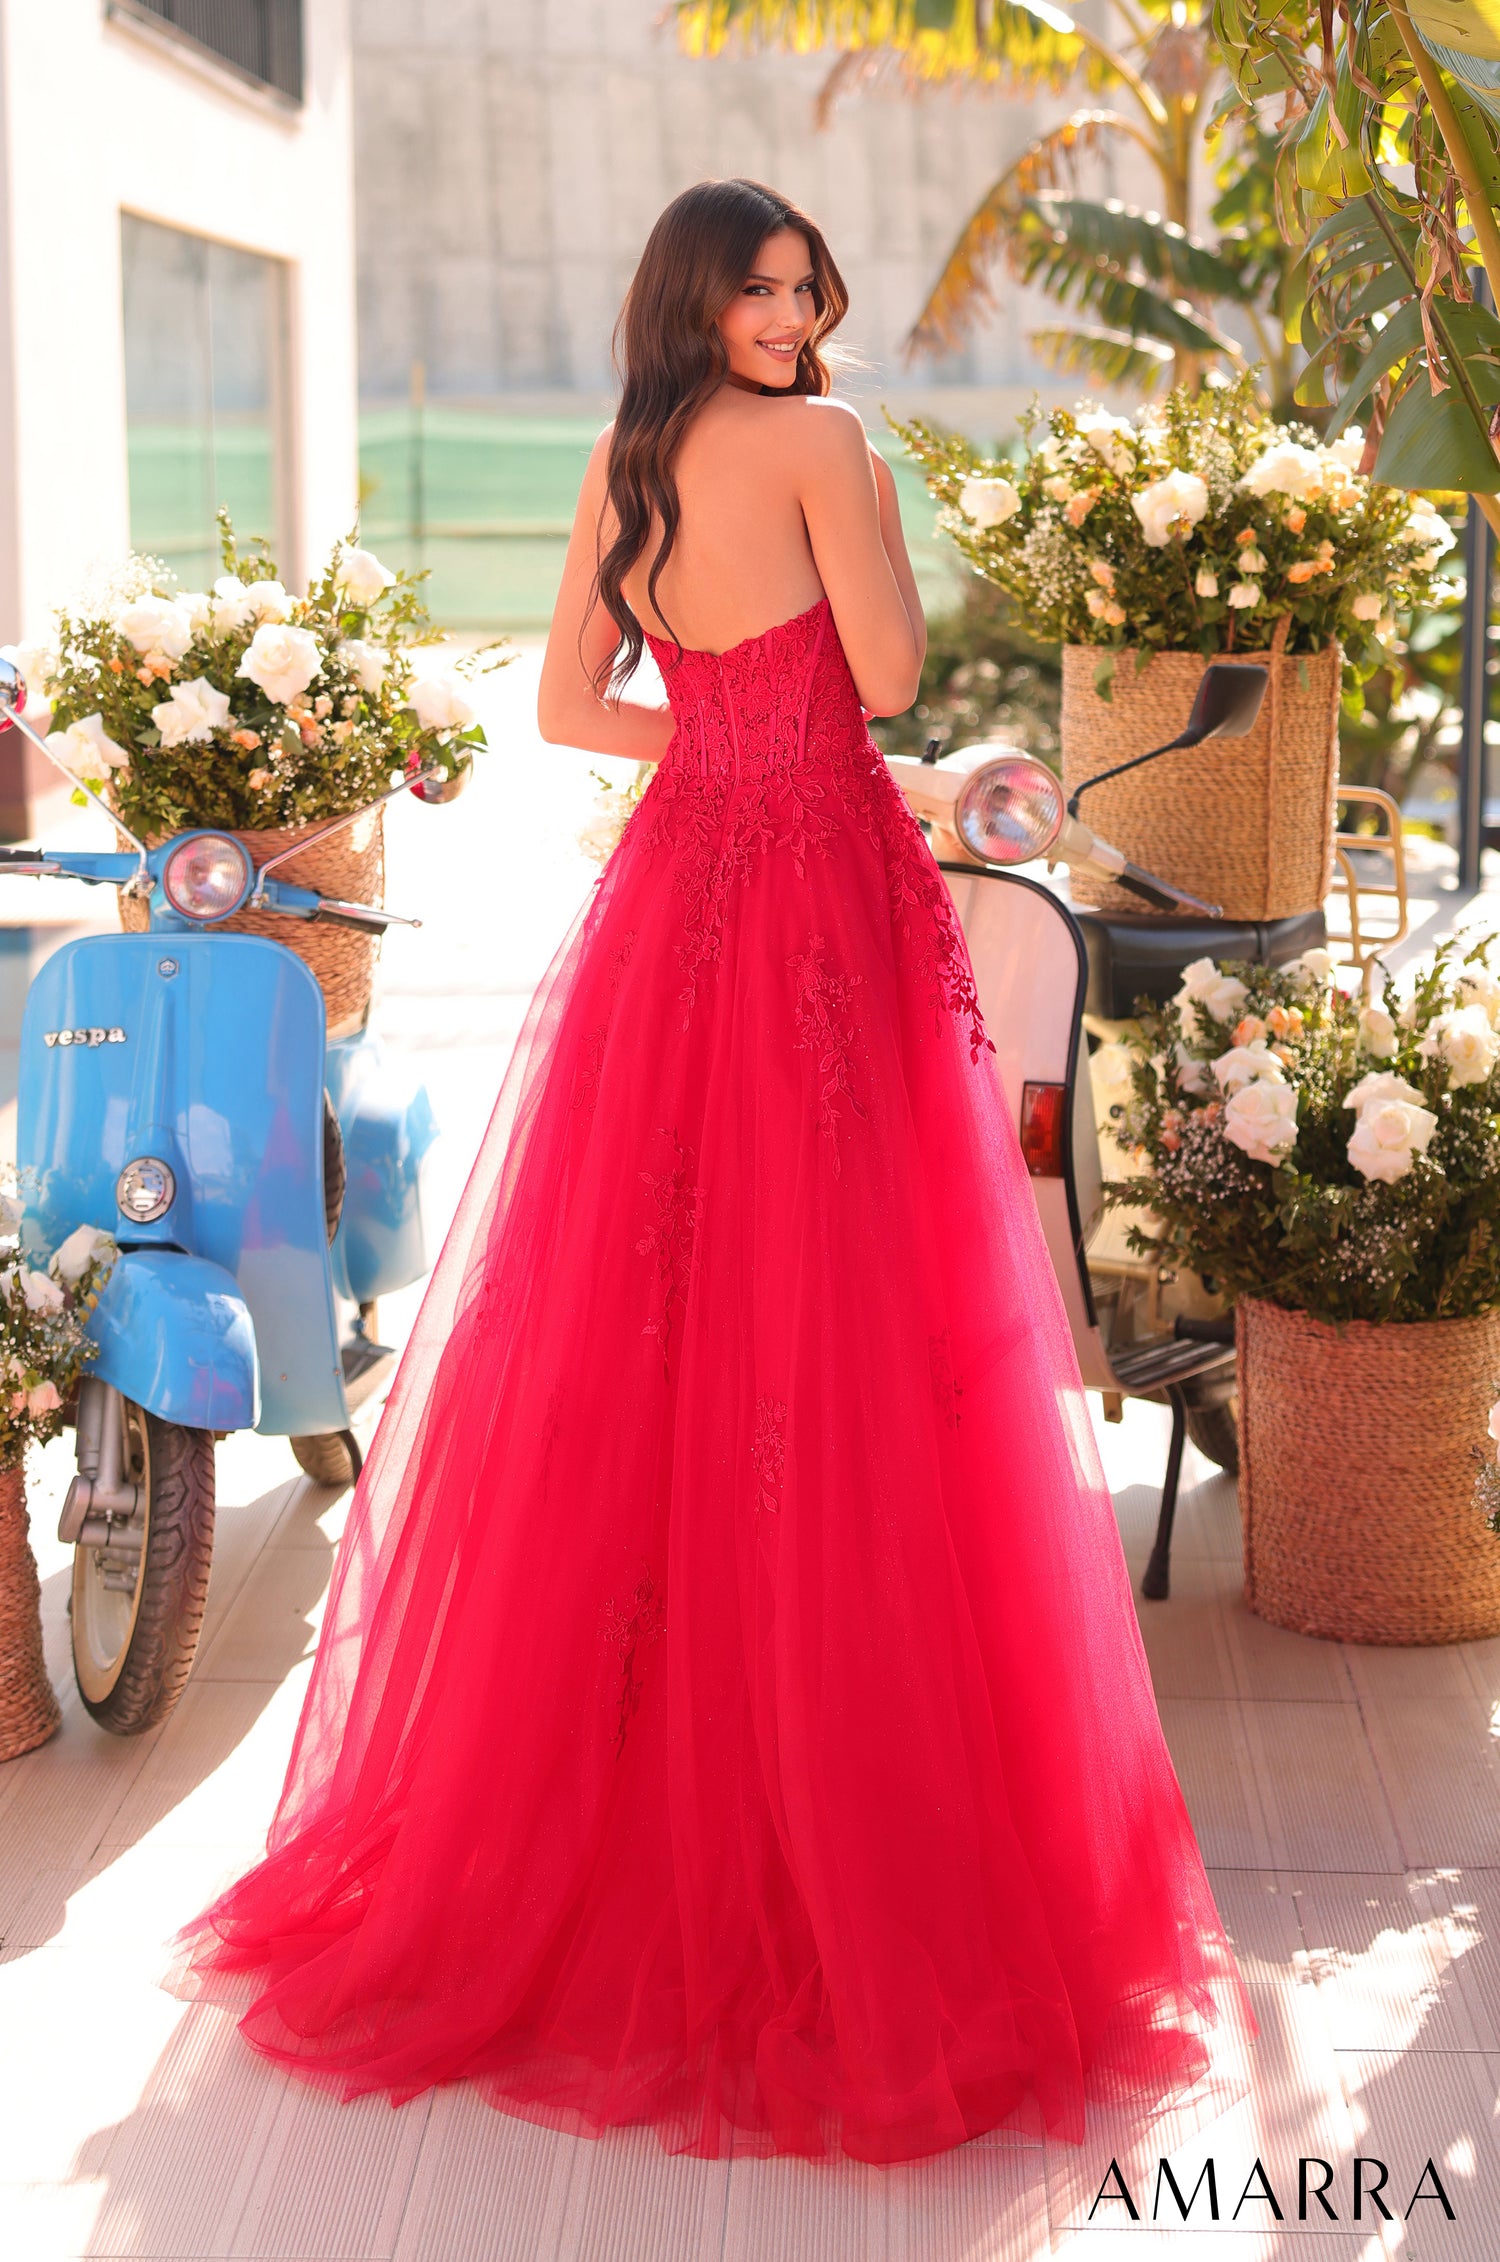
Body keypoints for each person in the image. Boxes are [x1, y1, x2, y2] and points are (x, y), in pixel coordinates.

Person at [171, 178, 1252, 2166]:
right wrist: (802, 730)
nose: (789, 306)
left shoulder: (625, 452)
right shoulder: (830, 441)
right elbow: (906, 677)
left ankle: (640, 1787)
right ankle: (826, 1797)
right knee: (856, 1312)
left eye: (799, 280)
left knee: (646, 1312)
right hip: (826, 893)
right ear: (702, 293)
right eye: (756, 284)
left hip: (676, 909)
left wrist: (725, 753)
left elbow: (573, 703)